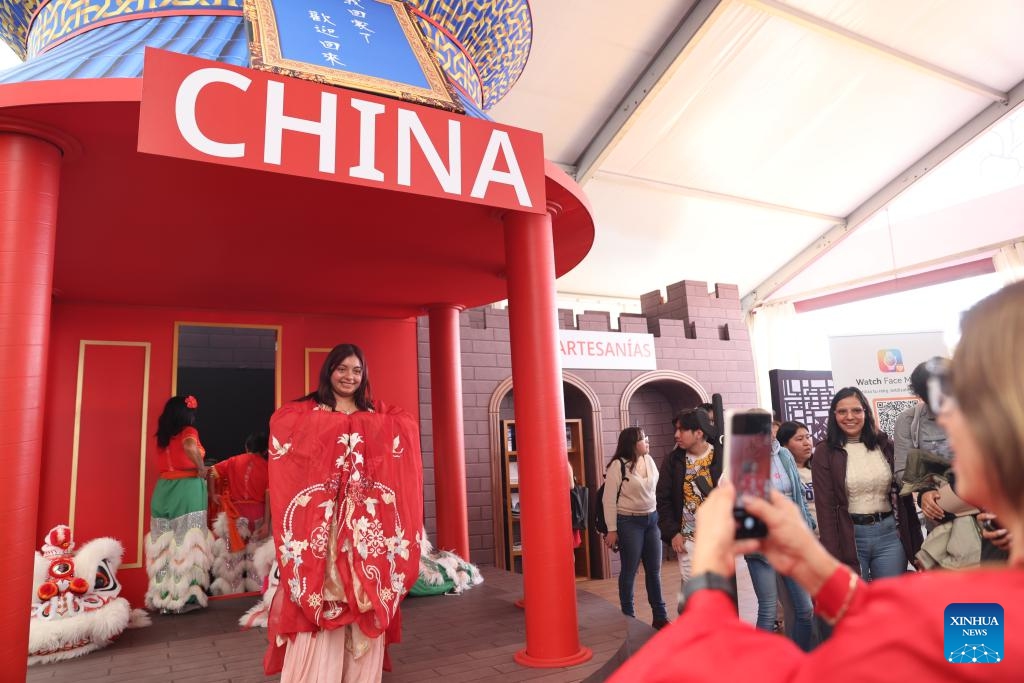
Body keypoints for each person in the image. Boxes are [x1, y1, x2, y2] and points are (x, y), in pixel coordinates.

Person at [608, 280, 1024, 682]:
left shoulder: (988, 616)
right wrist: (816, 565)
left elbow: (697, 670)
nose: (946, 419)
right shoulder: (991, 617)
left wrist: (710, 575)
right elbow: (914, 640)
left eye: (961, 399)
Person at [264, 343, 423, 682]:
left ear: (363, 375)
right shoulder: (303, 411)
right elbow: (282, 432)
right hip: (324, 525)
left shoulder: (380, 411)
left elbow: (405, 427)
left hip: (365, 523)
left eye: (356, 370)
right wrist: (344, 427)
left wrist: (356, 425)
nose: (349, 376)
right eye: (342, 369)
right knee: (324, 592)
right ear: (329, 371)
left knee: (363, 593)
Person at [812, 387, 918, 581]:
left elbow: (905, 498)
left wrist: (915, 539)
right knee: (854, 604)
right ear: (833, 415)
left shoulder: (885, 445)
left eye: (856, 410)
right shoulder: (825, 452)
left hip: (889, 535)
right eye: (842, 411)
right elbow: (825, 509)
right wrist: (830, 555)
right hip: (849, 537)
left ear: (866, 413)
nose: (849, 417)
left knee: (888, 602)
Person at [743, 435, 816, 650]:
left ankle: (798, 659)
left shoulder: (784, 455)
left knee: (805, 609)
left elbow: (798, 495)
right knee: (767, 610)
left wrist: (807, 523)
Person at [144, 394, 214, 613]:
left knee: (162, 544)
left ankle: (161, 598)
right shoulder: (188, 432)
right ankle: (183, 598)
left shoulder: (162, 437)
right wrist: (201, 468)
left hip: (163, 489)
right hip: (187, 488)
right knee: (187, 542)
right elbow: (191, 447)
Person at [601, 426, 669, 629]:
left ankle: (660, 617)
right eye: (643, 439)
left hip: (652, 520)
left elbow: (654, 490)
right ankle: (628, 617)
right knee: (629, 570)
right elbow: (609, 501)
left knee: (654, 571)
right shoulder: (617, 466)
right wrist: (612, 530)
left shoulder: (648, 459)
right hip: (628, 522)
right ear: (632, 444)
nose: (647, 441)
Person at [656, 408, 723, 598]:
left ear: (699, 433)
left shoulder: (719, 456)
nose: (676, 435)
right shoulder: (674, 460)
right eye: (676, 429)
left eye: (682, 430)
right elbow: (663, 499)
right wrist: (673, 532)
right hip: (687, 539)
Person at [208, 431, 271, 594]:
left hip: (235, 516)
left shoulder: (233, 461)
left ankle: (230, 592)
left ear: (246, 447)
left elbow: (211, 471)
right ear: (265, 451)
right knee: (254, 556)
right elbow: (268, 495)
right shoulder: (268, 467)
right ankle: (255, 590)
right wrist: (266, 523)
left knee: (231, 554)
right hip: (257, 514)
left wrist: (212, 493)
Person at [778, 421, 815, 532]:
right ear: (784, 445)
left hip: (827, 537)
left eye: (808, 437)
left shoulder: (820, 468)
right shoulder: (783, 476)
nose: (807, 443)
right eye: (799, 439)